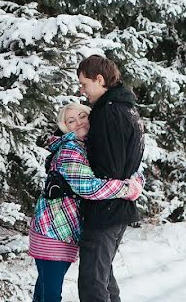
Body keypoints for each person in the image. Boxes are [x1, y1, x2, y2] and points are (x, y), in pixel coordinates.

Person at [28, 102, 143, 302]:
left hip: (69, 230)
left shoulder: (93, 145)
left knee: (46, 289)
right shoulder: (70, 150)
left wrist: (137, 182)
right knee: (51, 294)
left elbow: (129, 165)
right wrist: (126, 189)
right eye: (71, 120)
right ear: (65, 127)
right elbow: (87, 186)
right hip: (53, 230)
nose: (79, 122)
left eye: (82, 116)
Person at [76, 55, 145, 302]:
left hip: (104, 212)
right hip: (117, 210)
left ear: (100, 79)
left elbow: (108, 170)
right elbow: (132, 166)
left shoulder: (108, 114)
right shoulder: (127, 110)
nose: (82, 91)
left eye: (84, 84)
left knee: (93, 286)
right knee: (103, 280)